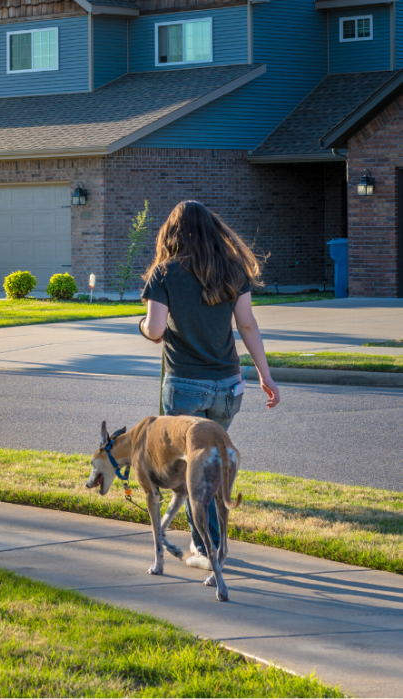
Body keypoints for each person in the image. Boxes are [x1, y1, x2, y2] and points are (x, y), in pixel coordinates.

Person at [137, 200, 280, 571]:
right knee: (209, 468)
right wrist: (266, 375)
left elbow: (154, 330)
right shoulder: (232, 269)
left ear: (172, 233)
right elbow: (247, 325)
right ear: (214, 231)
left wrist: (142, 326)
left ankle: (206, 547)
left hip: (184, 385)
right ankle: (210, 542)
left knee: (193, 473)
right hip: (229, 389)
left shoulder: (164, 273)